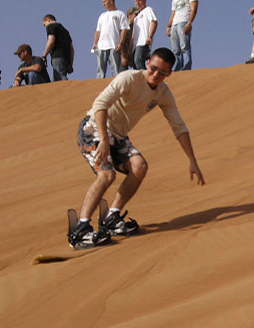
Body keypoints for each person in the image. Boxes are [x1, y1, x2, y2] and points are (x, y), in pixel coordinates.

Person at [69, 47, 205, 248]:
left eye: (163, 72)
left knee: (139, 166)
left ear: (169, 74)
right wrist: (104, 139)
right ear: (147, 62)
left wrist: (192, 160)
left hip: (119, 136)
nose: (156, 74)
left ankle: (112, 217)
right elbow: (99, 105)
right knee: (106, 175)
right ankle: (81, 229)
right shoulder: (129, 78)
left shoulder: (163, 93)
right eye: (153, 68)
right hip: (94, 128)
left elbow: (178, 126)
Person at [92, 0, 129, 78]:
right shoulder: (102, 16)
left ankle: (116, 85)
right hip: (101, 46)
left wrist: (121, 43)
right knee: (100, 69)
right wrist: (95, 43)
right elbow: (98, 31)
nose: (103, 3)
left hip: (114, 45)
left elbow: (124, 29)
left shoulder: (120, 14)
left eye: (105, 1)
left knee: (115, 68)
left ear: (111, 1)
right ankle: (99, 85)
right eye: (102, 2)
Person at [166, 0, 198, 71]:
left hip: (183, 22)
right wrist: (168, 26)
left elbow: (194, 9)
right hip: (174, 24)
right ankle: (177, 68)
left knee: (184, 46)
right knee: (175, 49)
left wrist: (189, 23)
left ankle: (186, 68)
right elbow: (173, 14)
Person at [41, 14, 74, 81]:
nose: (45, 27)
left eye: (44, 24)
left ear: (48, 20)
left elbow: (51, 41)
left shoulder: (51, 26)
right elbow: (72, 49)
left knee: (60, 79)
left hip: (57, 56)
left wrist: (44, 56)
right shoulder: (65, 30)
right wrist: (70, 64)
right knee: (57, 80)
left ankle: (68, 90)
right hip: (66, 58)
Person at [132, 0, 158, 70]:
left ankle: (145, 79)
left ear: (144, 0)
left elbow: (154, 22)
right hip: (135, 44)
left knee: (138, 60)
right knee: (135, 65)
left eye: (139, 0)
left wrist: (150, 37)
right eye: (136, 1)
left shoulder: (148, 10)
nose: (137, 3)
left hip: (143, 42)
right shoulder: (136, 17)